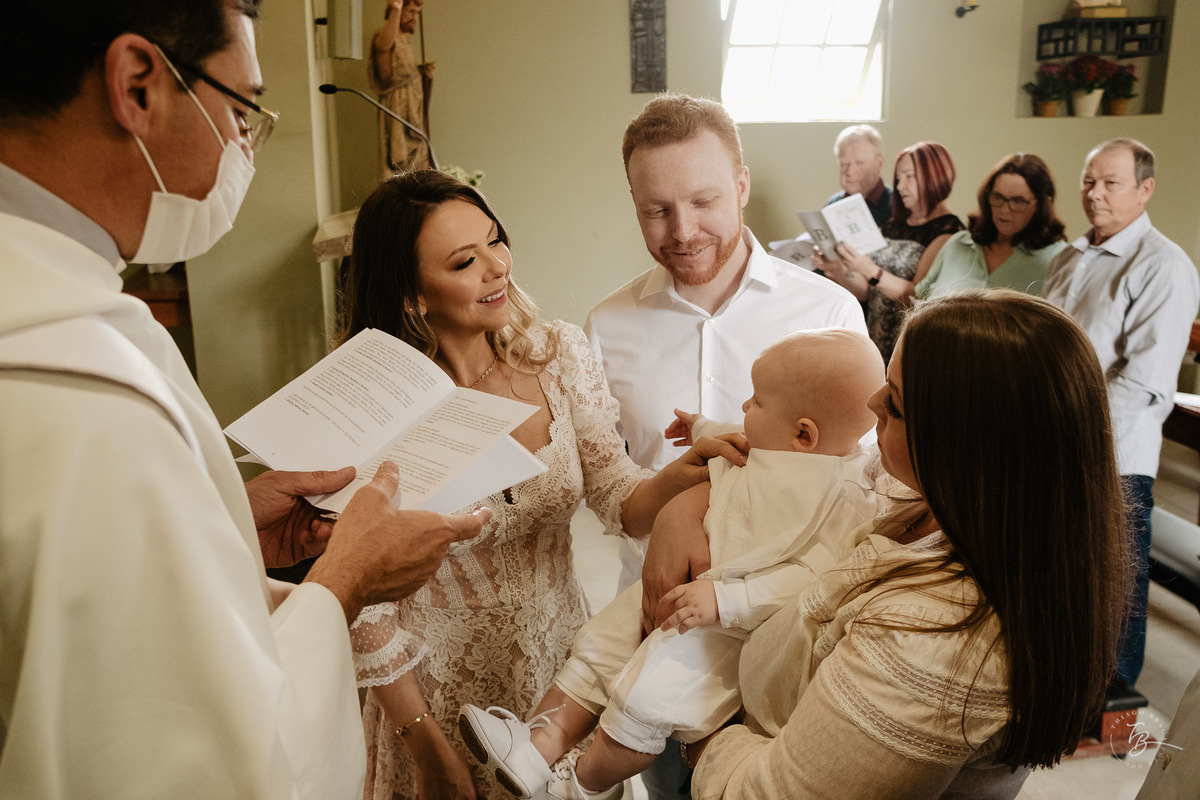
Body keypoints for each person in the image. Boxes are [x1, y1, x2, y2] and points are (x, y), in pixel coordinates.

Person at [0, 2, 490, 798]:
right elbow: (207, 763)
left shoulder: (62, 311)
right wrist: (345, 580)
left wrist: (224, 528)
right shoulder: (78, 398)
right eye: (240, 111)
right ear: (139, 85)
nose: (242, 146)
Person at [340, 170, 745, 799]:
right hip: (433, 691)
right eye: (464, 261)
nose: (497, 267)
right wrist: (424, 743)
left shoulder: (558, 354)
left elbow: (617, 495)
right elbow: (367, 603)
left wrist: (680, 477)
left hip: (557, 674)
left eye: (496, 241)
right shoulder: (376, 405)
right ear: (411, 293)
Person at [685, 290, 1132, 799]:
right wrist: (687, 506)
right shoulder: (933, 499)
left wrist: (697, 724)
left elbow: (764, 794)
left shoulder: (929, 648)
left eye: (893, 402)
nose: (872, 402)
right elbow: (805, 468)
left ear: (961, 446)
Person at [458, 329, 884, 800]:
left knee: (647, 702)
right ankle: (535, 748)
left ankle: (584, 786)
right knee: (601, 646)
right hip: (673, 593)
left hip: (726, 628)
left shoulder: (843, 497)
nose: (745, 407)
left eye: (756, 401)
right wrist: (698, 424)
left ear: (804, 433)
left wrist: (726, 600)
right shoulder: (763, 444)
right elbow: (722, 431)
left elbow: (814, 579)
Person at [583, 93, 865, 798]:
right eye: (656, 210)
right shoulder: (606, 325)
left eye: (704, 200)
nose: (683, 230)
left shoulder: (828, 314)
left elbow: (862, 486)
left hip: (785, 630)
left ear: (741, 186)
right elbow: (611, 497)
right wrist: (668, 510)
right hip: (659, 622)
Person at [1043, 138, 1200, 688]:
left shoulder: (1164, 266)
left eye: (1112, 183)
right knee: (1061, 581)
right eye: (1089, 181)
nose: (1096, 194)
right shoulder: (1071, 256)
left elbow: (1143, 382)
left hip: (1115, 455)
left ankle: (1112, 714)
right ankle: (1061, 693)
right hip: (1052, 441)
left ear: (1145, 189)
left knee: (1116, 590)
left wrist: (1065, 430)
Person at [815, 141, 964, 362]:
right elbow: (868, 292)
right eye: (898, 178)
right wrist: (838, 270)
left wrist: (870, 269)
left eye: (909, 177)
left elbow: (919, 297)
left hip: (908, 346)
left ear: (935, 176)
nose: (900, 186)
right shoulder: (893, 225)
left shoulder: (948, 232)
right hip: (874, 339)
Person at [918, 153, 1066, 299]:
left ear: (1041, 204)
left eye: (1018, 201)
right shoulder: (958, 244)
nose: (1004, 210)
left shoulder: (1059, 258)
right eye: (998, 197)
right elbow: (919, 300)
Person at [370, 0, 433, 178]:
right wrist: (396, 9)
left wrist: (423, 75)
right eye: (411, 11)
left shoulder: (404, 39)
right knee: (402, 165)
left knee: (421, 162)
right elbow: (384, 48)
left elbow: (404, 73)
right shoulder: (384, 37)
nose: (414, 18)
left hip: (414, 112)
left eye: (417, 13)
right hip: (398, 111)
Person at [825, 124, 892, 227]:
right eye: (844, 164)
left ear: (879, 162)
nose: (850, 171)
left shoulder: (897, 206)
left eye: (860, 163)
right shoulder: (832, 205)